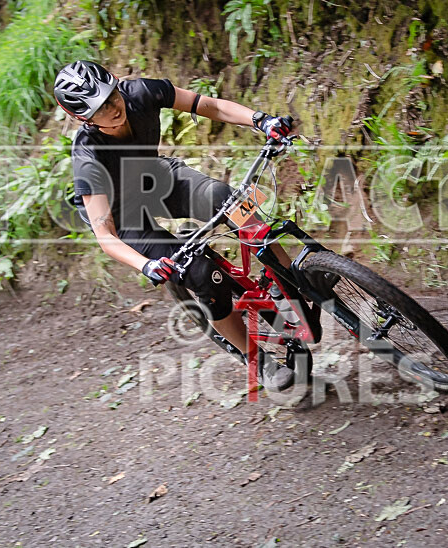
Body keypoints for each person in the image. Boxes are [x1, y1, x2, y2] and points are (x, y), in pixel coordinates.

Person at [53, 60, 295, 391]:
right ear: (83, 118)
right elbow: (105, 236)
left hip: (156, 179)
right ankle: (255, 357)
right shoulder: (88, 157)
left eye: (111, 96)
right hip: (124, 218)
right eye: (99, 109)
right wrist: (146, 264)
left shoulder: (141, 93)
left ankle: (286, 278)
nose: (112, 108)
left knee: (229, 198)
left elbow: (207, 105)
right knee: (201, 274)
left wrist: (261, 120)